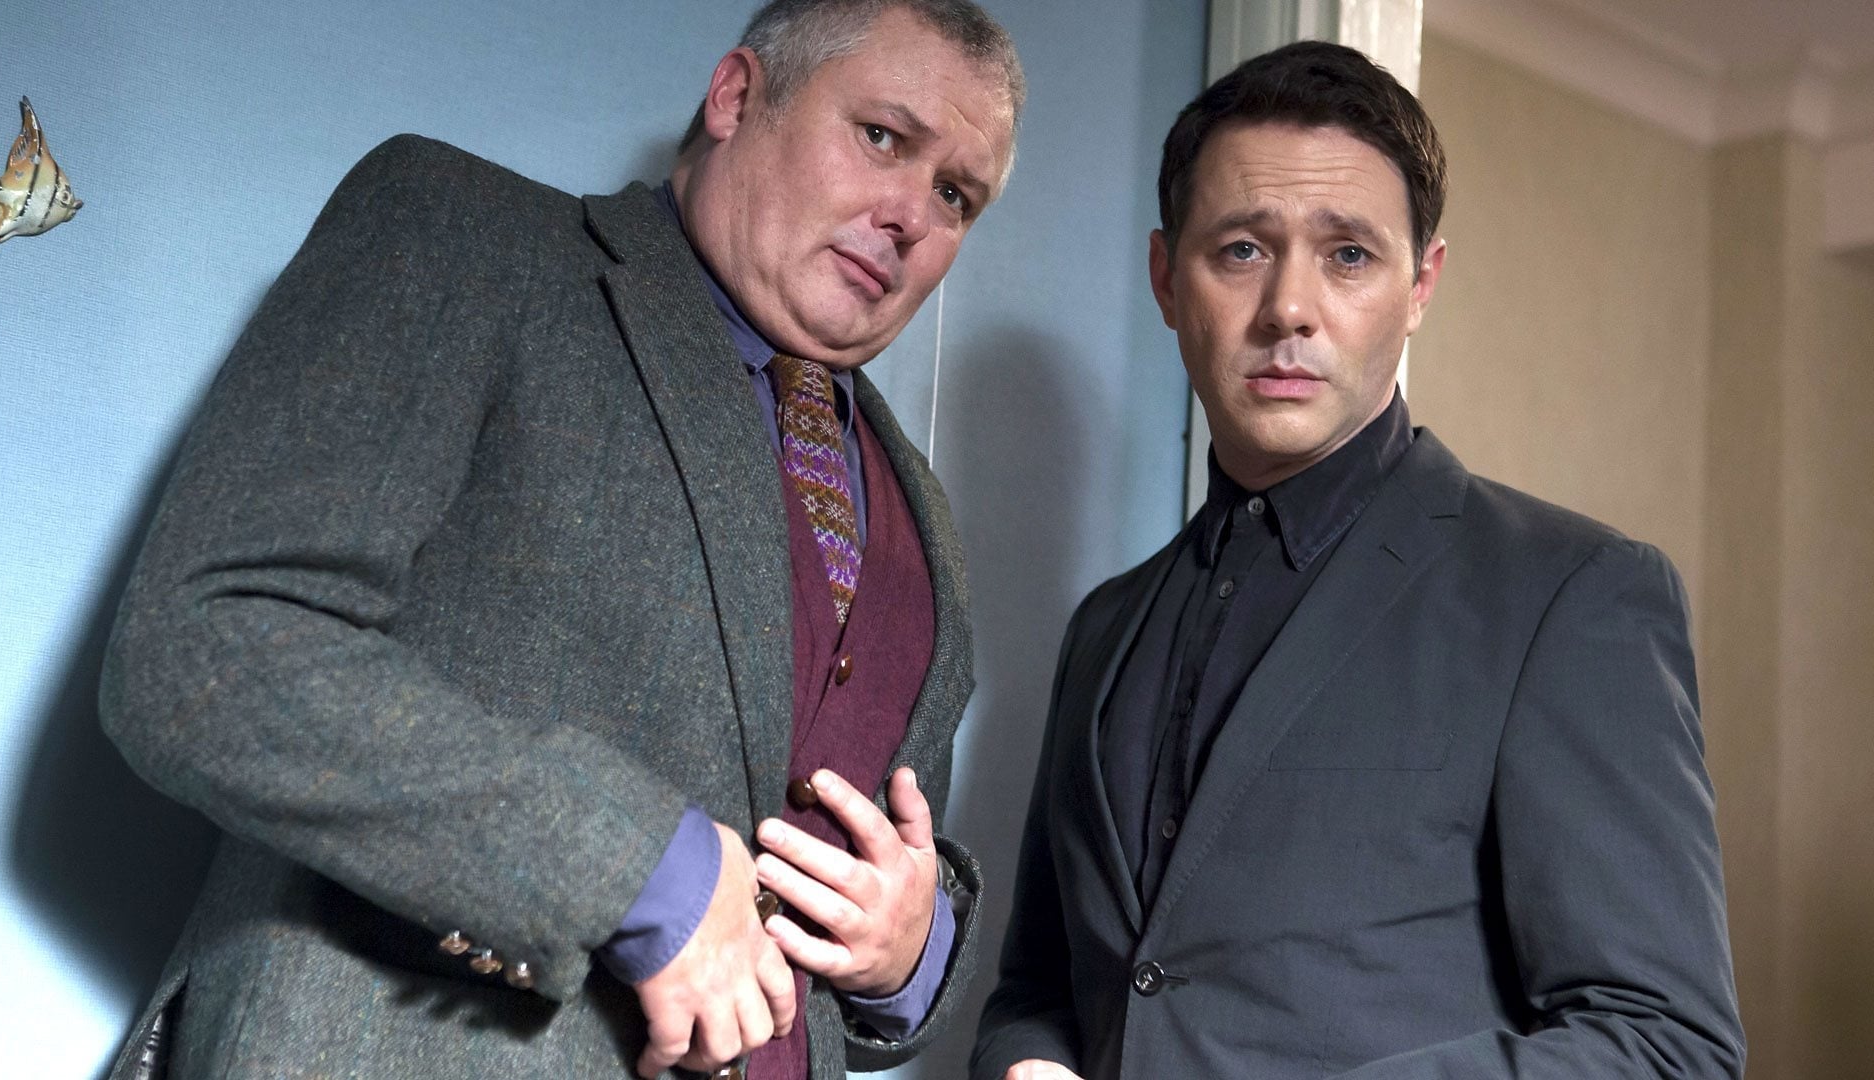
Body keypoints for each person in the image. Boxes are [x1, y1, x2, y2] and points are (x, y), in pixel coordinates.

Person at [98, 2, 1022, 1077]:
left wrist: (911, 951)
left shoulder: (921, 510)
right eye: (882, 136)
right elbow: (203, 645)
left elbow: (883, 863)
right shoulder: (466, 234)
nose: (911, 214)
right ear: (737, 96)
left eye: (956, 196)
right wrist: (634, 872)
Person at [972, 40, 1743, 1080]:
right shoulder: (1104, 630)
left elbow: (1666, 1046)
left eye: (1348, 255)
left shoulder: (1571, 596)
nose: (1289, 307)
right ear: (1165, 279)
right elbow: (1039, 993)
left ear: (1421, 285)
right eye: (1241, 248)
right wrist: (1027, 1064)